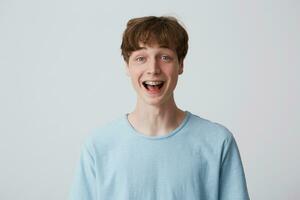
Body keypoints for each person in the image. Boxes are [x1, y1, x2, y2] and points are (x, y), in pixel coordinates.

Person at [69, 16, 250, 200]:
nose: (153, 68)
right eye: (141, 58)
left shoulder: (217, 141)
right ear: (127, 66)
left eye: (165, 57)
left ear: (180, 64)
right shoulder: (99, 146)